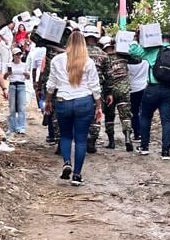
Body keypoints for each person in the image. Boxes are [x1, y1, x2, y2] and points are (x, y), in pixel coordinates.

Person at [44, 30, 103, 186]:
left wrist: (48, 101)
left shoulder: (57, 60)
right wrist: (98, 106)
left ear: (68, 43)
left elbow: (51, 84)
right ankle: (77, 175)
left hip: (63, 101)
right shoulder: (88, 62)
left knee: (65, 136)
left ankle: (67, 162)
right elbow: (95, 87)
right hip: (84, 101)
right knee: (81, 139)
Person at [129, 30, 170, 158]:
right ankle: (165, 152)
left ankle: (144, 147)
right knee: (166, 121)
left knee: (145, 117)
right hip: (169, 91)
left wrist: (135, 37)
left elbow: (133, 51)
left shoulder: (153, 52)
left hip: (151, 90)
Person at [82, 26, 115, 154]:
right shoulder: (104, 55)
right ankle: (92, 140)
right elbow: (109, 76)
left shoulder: (78, 52)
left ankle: (82, 138)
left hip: (80, 89)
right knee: (96, 114)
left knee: (81, 114)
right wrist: (109, 93)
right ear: (97, 38)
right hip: (98, 89)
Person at [100, 36, 134, 151]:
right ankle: (128, 138)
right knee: (126, 116)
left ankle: (111, 142)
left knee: (109, 117)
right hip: (123, 91)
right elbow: (138, 60)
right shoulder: (123, 56)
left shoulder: (103, 58)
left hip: (108, 92)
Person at [126, 47, 149, 149]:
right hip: (144, 88)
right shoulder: (145, 62)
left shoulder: (127, 64)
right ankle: (142, 134)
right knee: (142, 112)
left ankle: (137, 133)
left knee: (134, 112)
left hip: (132, 90)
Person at [5, 48, 30, 136]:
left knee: (21, 107)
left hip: (21, 85)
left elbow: (28, 77)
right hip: (12, 85)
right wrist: (8, 73)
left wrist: (27, 75)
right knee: (12, 108)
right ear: (13, 55)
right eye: (17, 54)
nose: (19, 56)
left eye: (20, 54)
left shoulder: (24, 65)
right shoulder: (9, 64)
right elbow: (5, 77)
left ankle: (21, 127)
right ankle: (12, 127)